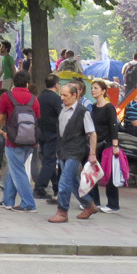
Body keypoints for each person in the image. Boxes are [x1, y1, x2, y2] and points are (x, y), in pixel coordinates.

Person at [48, 81, 100, 223]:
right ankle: (89, 205)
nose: (62, 98)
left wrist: (92, 154)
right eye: (61, 95)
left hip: (75, 151)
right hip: (63, 150)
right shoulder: (62, 109)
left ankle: (62, 211)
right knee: (72, 181)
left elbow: (92, 133)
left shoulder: (83, 112)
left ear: (75, 95)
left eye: (65, 95)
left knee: (64, 182)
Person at [0, 69, 40, 212]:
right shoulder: (34, 99)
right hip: (30, 141)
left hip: (13, 140)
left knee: (18, 171)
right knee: (15, 169)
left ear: (14, 82)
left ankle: (28, 203)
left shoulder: (7, 96)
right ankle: (7, 200)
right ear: (27, 83)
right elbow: (37, 119)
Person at [88, 79, 121, 213]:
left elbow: (113, 126)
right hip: (96, 143)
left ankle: (113, 204)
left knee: (109, 173)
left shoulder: (109, 107)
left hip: (107, 143)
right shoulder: (94, 107)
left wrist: (115, 145)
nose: (93, 90)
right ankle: (94, 201)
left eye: (96, 88)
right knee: (93, 172)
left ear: (103, 91)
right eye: (92, 88)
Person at [33, 74, 63, 201]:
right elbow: (61, 116)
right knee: (49, 161)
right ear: (56, 85)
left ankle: (56, 186)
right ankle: (39, 187)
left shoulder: (39, 98)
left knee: (47, 161)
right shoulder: (56, 99)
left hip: (41, 132)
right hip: (52, 133)